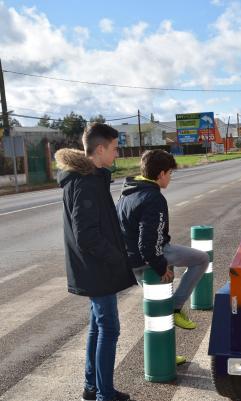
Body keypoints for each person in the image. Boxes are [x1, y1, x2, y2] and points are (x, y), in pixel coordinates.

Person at [56, 123, 136, 401]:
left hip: (93, 268)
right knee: (109, 329)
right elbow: (87, 235)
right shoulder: (87, 182)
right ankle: (104, 394)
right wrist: (116, 257)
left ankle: (92, 388)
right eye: (115, 149)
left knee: (98, 327)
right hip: (97, 269)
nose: (117, 154)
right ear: (100, 148)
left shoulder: (88, 177)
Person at [116, 150, 209, 337]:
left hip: (130, 260)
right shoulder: (153, 198)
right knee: (202, 259)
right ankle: (176, 308)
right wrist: (160, 266)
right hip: (150, 256)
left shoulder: (127, 193)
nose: (170, 177)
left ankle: (164, 355)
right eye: (170, 173)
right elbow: (149, 241)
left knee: (158, 308)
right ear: (161, 174)